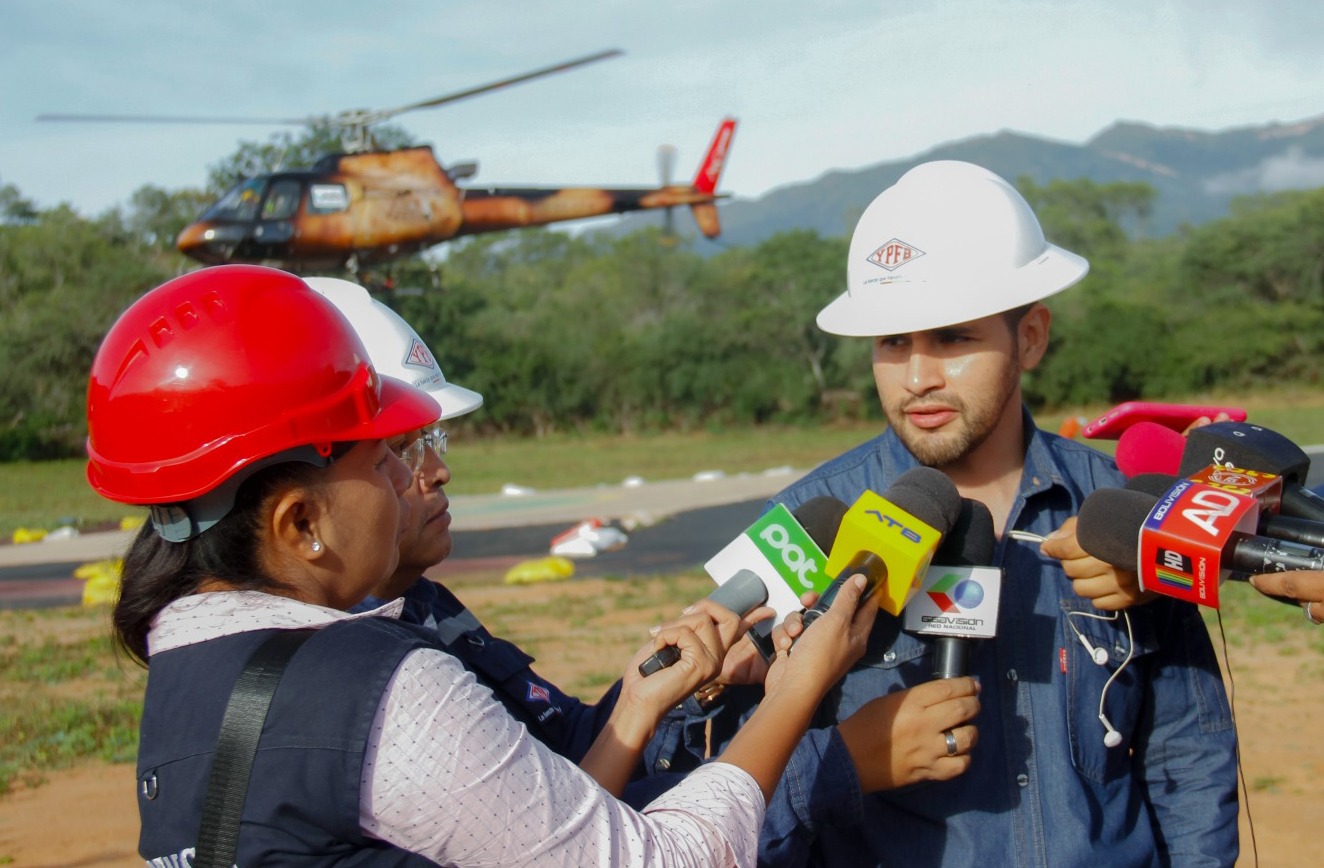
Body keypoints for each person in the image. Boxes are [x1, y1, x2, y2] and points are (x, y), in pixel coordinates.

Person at [93, 264, 880, 866]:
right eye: (386, 458)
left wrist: (636, 705)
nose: (415, 478)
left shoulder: (184, 665)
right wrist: (797, 694)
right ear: (299, 524)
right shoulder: (377, 688)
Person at [656, 161, 1240, 866]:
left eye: (954, 338)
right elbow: (731, 784)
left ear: (1030, 337)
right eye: (893, 343)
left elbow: (1189, 743)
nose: (918, 376)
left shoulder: (1119, 510)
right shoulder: (808, 524)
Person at [308, 275, 704, 803]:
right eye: (400, 450)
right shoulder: (361, 677)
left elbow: (561, 738)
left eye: (434, 441)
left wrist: (673, 681)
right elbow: (560, 838)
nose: (437, 470)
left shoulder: (421, 604)